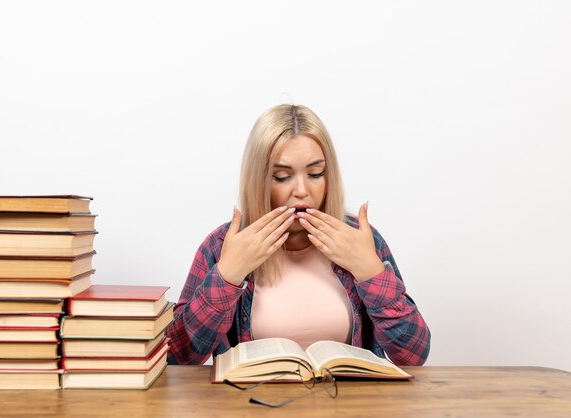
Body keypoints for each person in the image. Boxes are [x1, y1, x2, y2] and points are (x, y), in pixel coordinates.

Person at [166, 104, 430, 366]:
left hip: (348, 407)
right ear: (258, 180)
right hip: (253, 406)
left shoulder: (360, 240)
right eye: (281, 176)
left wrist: (371, 273)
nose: (301, 190)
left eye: (316, 173)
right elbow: (178, 357)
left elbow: (414, 355)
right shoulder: (222, 245)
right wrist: (227, 277)